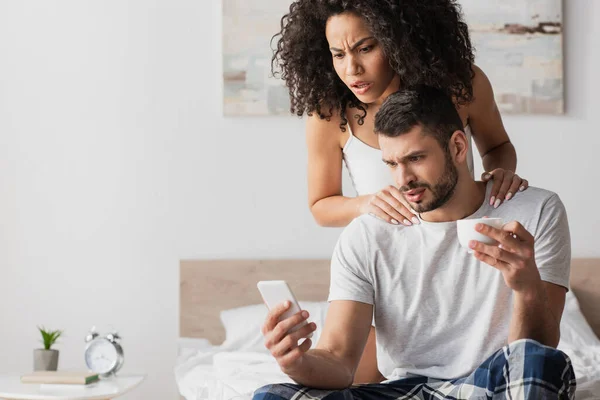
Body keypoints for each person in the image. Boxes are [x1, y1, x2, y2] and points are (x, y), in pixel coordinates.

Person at [253, 86, 575, 400]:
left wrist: (527, 287)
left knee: (539, 363)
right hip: (404, 390)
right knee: (271, 395)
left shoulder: (534, 211)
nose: (402, 179)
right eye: (392, 164)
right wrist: (297, 363)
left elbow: (535, 349)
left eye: (415, 158)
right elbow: (338, 359)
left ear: (459, 147)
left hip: (491, 384)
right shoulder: (366, 235)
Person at [271, 1, 529, 382]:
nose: (351, 70)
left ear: (399, 39)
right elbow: (320, 206)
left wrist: (498, 174)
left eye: (365, 48)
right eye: (338, 54)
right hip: (387, 280)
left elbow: (497, 146)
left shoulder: (463, 86)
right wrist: (366, 203)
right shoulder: (329, 113)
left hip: (464, 270)